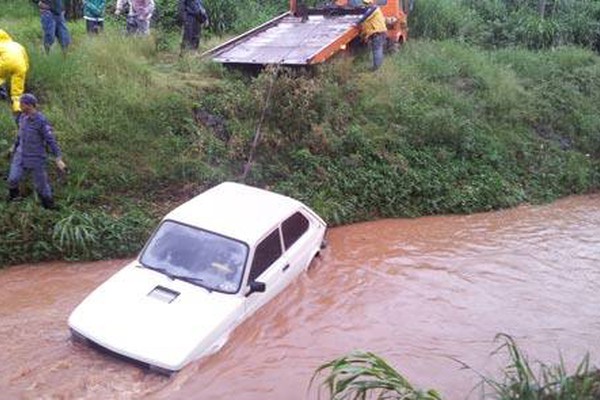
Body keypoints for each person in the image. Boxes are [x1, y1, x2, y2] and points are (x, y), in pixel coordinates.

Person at [7, 93, 67, 209]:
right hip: (20, 155)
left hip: (36, 158)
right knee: (13, 179)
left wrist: (58, 158)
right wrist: (14, 147)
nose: (19, 106)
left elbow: (51, 140)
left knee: (41, 186)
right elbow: (20, 135)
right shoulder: (22, 117)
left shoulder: (41, 121)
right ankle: (14, 198)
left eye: (21, 104)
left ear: (29, 105)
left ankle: (49, 206)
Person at [0, 29, 29, 120]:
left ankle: (2, 93)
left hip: (5, 63)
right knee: (17, 92)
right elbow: (26, 59)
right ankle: (17, 109)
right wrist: (23, 71)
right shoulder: (17, 45)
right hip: (21, 66)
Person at [356, 0, 387, 71]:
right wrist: (364, 35)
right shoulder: (372, 9)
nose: (364, 5)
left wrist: (356, 23)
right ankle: (377, 67)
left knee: (377, 50)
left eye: (366, 3)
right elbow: (366, 24)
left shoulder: (373, 9)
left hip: (378, 33)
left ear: (370, 3)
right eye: (364, 3)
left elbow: (364, 19)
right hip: (378, 33)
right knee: (377, 50)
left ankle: (376, 68)